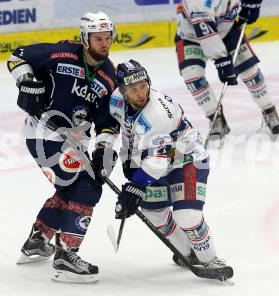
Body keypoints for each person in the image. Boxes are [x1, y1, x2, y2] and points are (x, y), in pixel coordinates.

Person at [93, 60, 233, 281]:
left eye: (143, 86)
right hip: (152, 161)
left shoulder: (158, 114)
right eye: (133, 89)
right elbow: (115, 126)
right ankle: (187, 252)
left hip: (186, 160)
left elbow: (158, 161)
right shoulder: (117, 100)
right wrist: (105, 150)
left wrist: (135, 188)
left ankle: (209, 259)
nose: (140, 93)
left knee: (187, 216)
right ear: (122, 90)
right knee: (153, 212)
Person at [6, 11, 119, 283]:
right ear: (84, 38)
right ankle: (67, 254)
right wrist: (26, 83)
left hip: (75, 141)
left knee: (72, 189)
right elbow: (17, 57)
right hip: (43, 133)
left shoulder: (108, 74)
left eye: (108, 38)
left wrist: (103, 148)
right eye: (98, 38)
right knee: (86, 187)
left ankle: (38, 240)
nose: (104, 44)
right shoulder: (61, 54)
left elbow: (107, 121)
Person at [175, 0, 279, 139]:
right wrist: (221, 60)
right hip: (190, 36)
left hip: (227, 30)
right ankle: (216, 119)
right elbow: (206, 34)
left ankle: (269, 110)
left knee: (250, 72)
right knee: (192, 78)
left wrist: (253, 3)